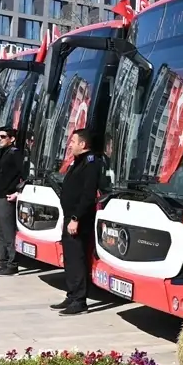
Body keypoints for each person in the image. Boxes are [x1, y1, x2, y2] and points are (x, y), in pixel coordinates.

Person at [51, 129, 104, 316]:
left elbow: (88, 195)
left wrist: (75, 218)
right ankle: (72, 295)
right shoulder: (78, 162)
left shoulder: (91, 163)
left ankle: (80, 301)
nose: (70, 144)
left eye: (73, 141)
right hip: (69, 217)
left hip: (79, 220)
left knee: (78, 259)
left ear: (83, 144)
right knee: (70, 259)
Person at [0, 126, 25, 276]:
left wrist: (17, 192)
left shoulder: (15, 153)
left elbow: (25, 174)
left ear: (12, 139)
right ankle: (3, 261)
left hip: (6, 197)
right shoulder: (3, 153)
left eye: (3, 137)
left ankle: (12, 264)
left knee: (8, 233)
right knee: (0, 232)